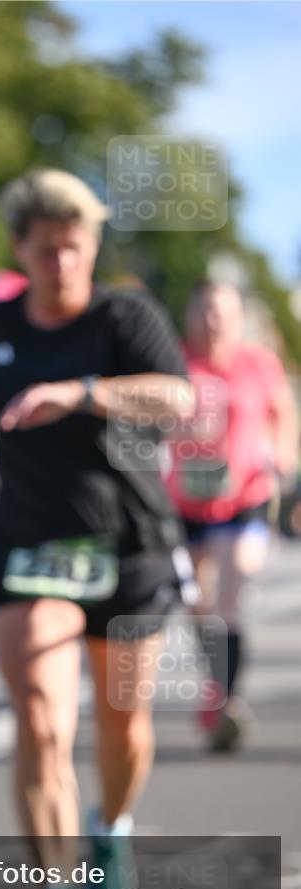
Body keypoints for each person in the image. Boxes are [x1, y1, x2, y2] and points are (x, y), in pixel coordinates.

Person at [0, 168, 195, 889]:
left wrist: (79, 392)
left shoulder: (124, 313)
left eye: (74, 248)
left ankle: (113, 830)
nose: (63, 263)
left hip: (127, 547)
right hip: (28, 546)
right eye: (46, 250)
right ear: (20, 251)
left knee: (121, 720)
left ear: (91, 245)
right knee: (40, 714)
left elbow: (174, 398)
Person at [164, 281, 299, 751]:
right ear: (190, 315)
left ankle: (226, 700)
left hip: (246, 498)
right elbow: (145, 419)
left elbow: (283, 412)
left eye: (223, 311)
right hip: (186, 505)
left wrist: (284, 456)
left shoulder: (257, 363)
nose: (214, 320)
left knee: (231, 592)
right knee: (198, 604)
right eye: (205, 310)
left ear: (239, 316)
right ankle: (217, 686)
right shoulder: (174, 361)